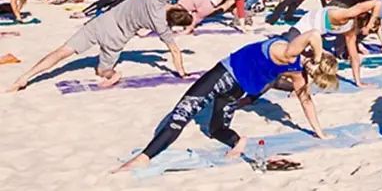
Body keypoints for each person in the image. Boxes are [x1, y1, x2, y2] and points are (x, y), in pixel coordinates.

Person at [114, 31, 338, 172]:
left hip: (225, 75)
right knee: (216, 128)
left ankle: (144, 157)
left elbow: (313, 37)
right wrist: (319, 132)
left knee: (182, 113)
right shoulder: (295, 65)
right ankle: (237, 141)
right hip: (239, 88)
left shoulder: (293, 57)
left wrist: (316, 58)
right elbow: (306, 99)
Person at [7, 0, 233, 92]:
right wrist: (182, 72)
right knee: (104, 72)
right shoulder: (161, 26)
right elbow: (174, 50)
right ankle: (112, 74)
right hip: (116, 38)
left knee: (62, 52)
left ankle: (25, 77)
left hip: (100, 23)